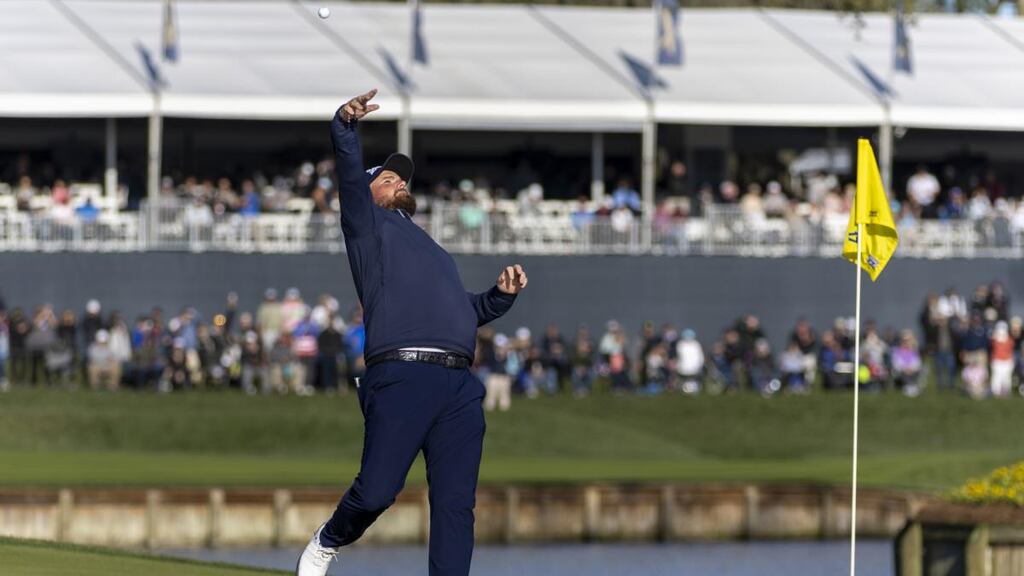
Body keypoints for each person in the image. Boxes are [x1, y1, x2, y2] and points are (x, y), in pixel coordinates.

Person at [297, 90, 529, 576]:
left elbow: (460, 313)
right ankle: (328, 539)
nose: (399, 180)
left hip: (458, 386)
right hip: (402, 375)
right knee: (378, 491)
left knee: (455, 507)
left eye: (402, 177)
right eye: (387, 177)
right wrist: (344, 126)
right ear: (369, 192)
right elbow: (348, 174)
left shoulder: (432, 250)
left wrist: (498, 298)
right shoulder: (366, 226)